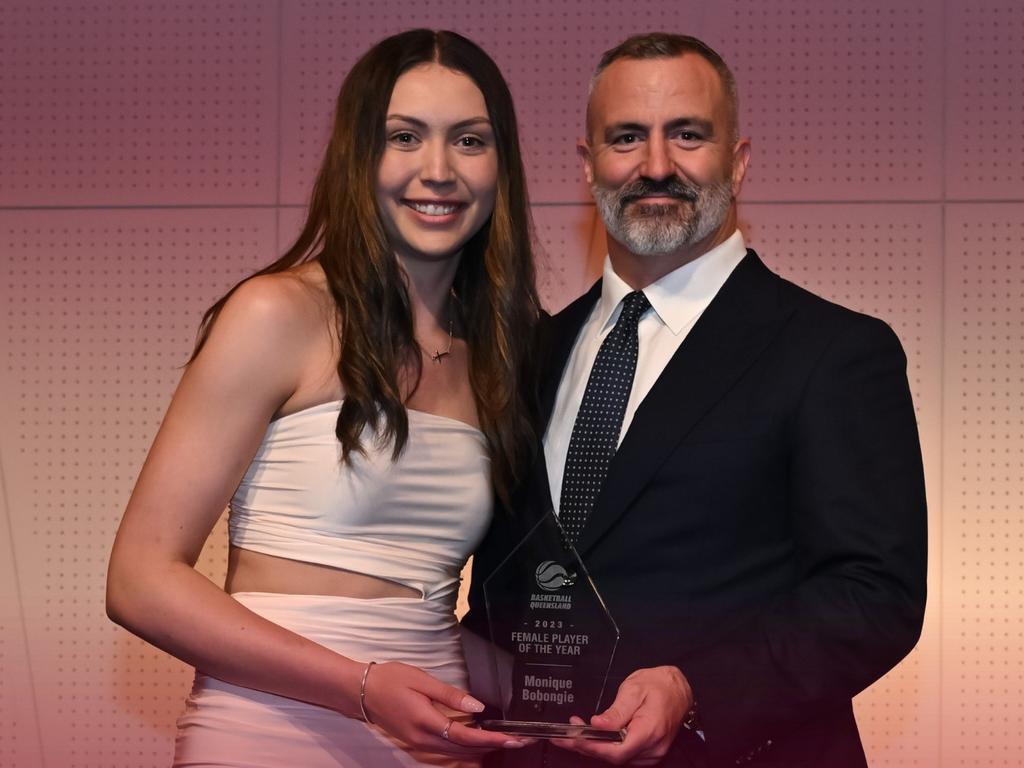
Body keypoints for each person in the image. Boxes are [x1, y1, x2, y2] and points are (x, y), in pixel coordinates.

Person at [466, 33, 927, 768]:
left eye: (687, 135)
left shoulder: (834, 351)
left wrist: (696, 689)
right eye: (626, 138)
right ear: (587, 167)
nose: (655, 165)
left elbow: (874, 597)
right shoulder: (524, 355)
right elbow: (509, 589)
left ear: (737, 160)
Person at [106, 29, 541, 768]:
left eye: (469, 141)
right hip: (270, 736)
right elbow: (140, 581)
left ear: (501, 167)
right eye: (405, 137)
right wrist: (363, 688)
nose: (438, 170)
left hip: (434, 743)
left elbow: (415, 613)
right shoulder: (277, 314)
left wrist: (578, 693)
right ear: (358, 157)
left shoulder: (501, 356)